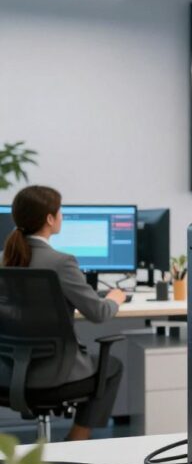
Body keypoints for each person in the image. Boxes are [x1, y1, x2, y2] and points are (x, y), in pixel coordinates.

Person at [1, 185, 126, 441]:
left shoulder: (4, 258)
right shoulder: (61, 261)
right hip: (54, 376)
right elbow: (99, 313)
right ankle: (78, 437)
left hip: (9, 373)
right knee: (112, 366)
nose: (62, 217)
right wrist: (116, 298)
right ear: (49, 218)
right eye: (60, 212)